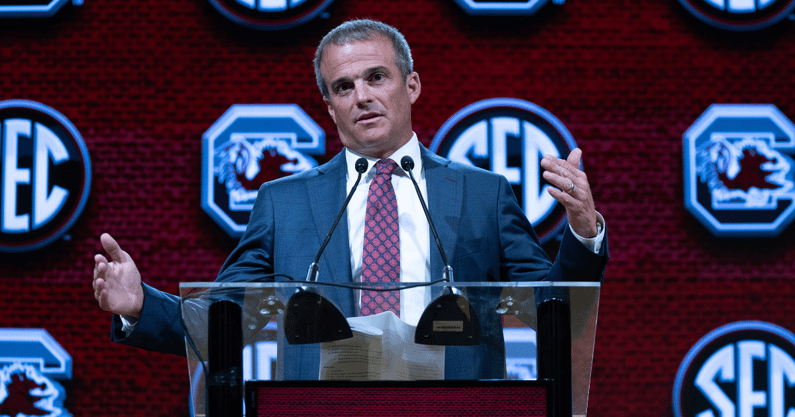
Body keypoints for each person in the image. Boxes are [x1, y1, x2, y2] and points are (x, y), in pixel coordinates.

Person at [92, 19, 607, 380]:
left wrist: (583, 233)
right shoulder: (283, 202)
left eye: (375, 77)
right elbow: (229, 318)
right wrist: (141, 306)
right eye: (343, 86)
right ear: (330, 106)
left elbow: (554, 310)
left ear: (412, 85)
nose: (361, 95)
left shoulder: (482, 194)